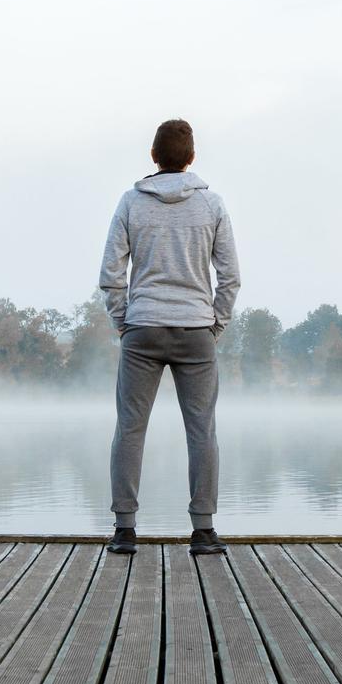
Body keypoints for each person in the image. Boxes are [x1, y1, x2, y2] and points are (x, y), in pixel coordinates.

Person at [97, 118, 240, 555]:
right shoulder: (212, 205)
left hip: (142, 329)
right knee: (202, 431)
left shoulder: (130, 203)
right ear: (191, 158)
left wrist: (124, 321)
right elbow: (230, 276)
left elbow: (111, 274)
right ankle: (203, 532)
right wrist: (215, 324)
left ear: (154, 157)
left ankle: (124, 530)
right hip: (196, 331)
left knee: (130, 428)